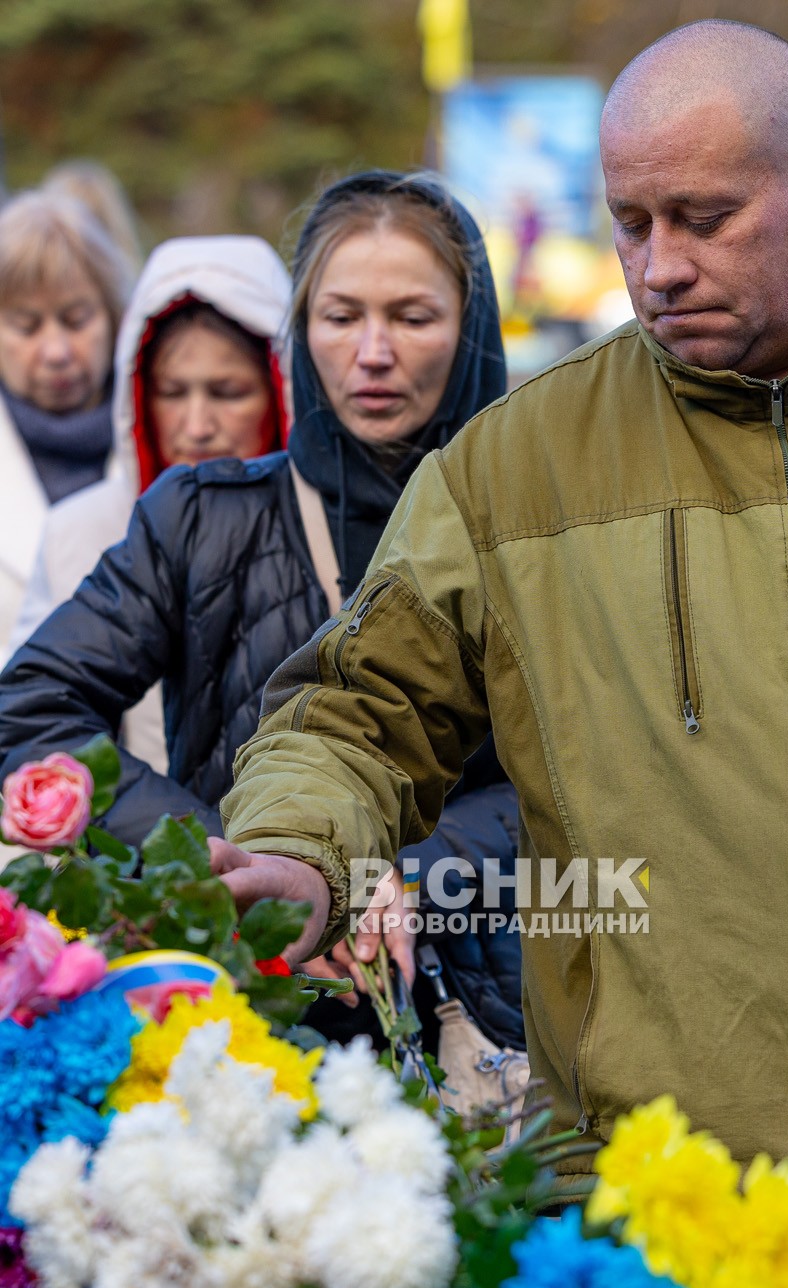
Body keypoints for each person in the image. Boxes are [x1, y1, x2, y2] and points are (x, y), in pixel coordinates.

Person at [213, 22, 788, 1288]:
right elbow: (352, 713)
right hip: (665, 1211)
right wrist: (299, 846)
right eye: (627, 222)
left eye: (701, 219)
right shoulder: (518, 471)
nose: (655, 266)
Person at [0, 170, 520, 1042]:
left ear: (470, 333)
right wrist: (239, 874)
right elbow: (28, 712)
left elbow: (590, 779)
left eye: (414, 317)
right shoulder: (203, 517)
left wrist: (419, 878)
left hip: (485, 1004)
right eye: (342, 316)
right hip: (247, 1007)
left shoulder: (534, 530)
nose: (374, 352)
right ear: (301, 333)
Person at [10, 235, 292, 769]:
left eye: (228, 392)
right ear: (138, 395)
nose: (197, 426)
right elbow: (32, 736)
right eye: (171, 392)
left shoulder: (337, 524)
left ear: (280, 389)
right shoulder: (83, 531)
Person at [0, 191, 133, 663]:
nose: (56, 351)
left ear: (116, 316)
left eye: (76, 319)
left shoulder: (172, 430)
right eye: (27, 325)